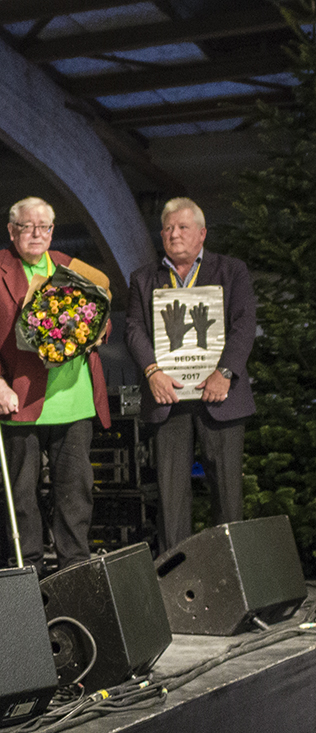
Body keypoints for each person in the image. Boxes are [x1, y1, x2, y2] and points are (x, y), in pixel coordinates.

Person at [0, 198, 110, 575]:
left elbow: (101, 315)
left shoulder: (71, 267)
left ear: (52, 231)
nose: (36, 234)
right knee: (22, 496)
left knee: (75, 493)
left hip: (74, 400)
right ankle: (26, 570)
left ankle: (73, 569)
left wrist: (94, 334)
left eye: (43, 227)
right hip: (20, 399)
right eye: (27, 227)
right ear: (12, 231)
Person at [125, 197, 255, 553]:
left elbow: (245, 325)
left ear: (202, 234)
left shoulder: (232, 271)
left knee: (228, 497)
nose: (174, 234)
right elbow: (134, 329)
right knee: (170, 501)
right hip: (169, 400)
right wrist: (152, 372)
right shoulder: (143, 278)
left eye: (182, 227)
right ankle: (175, 582)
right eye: (167, 228)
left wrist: (225, 372)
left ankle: (232, 580)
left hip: (221, 397)